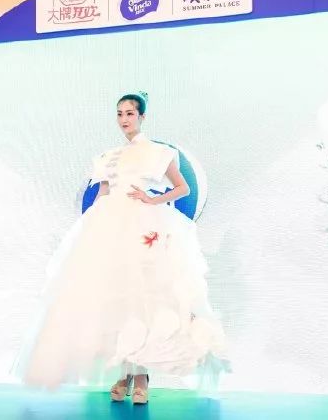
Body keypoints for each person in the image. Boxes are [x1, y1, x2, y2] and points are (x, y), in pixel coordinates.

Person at [13, 93, 228, 404]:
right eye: (119, 114)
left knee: (142, 299)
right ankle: (124, 373)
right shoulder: (107, 156)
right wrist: (89, 232)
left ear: (142, 117)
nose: (124, 119)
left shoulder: (159, 153)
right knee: (114, 302)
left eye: (129, 113)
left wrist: (153, 199)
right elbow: (102, 193)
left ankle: (140, 377)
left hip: (142, 227)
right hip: (109, 228)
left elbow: (182, 188)